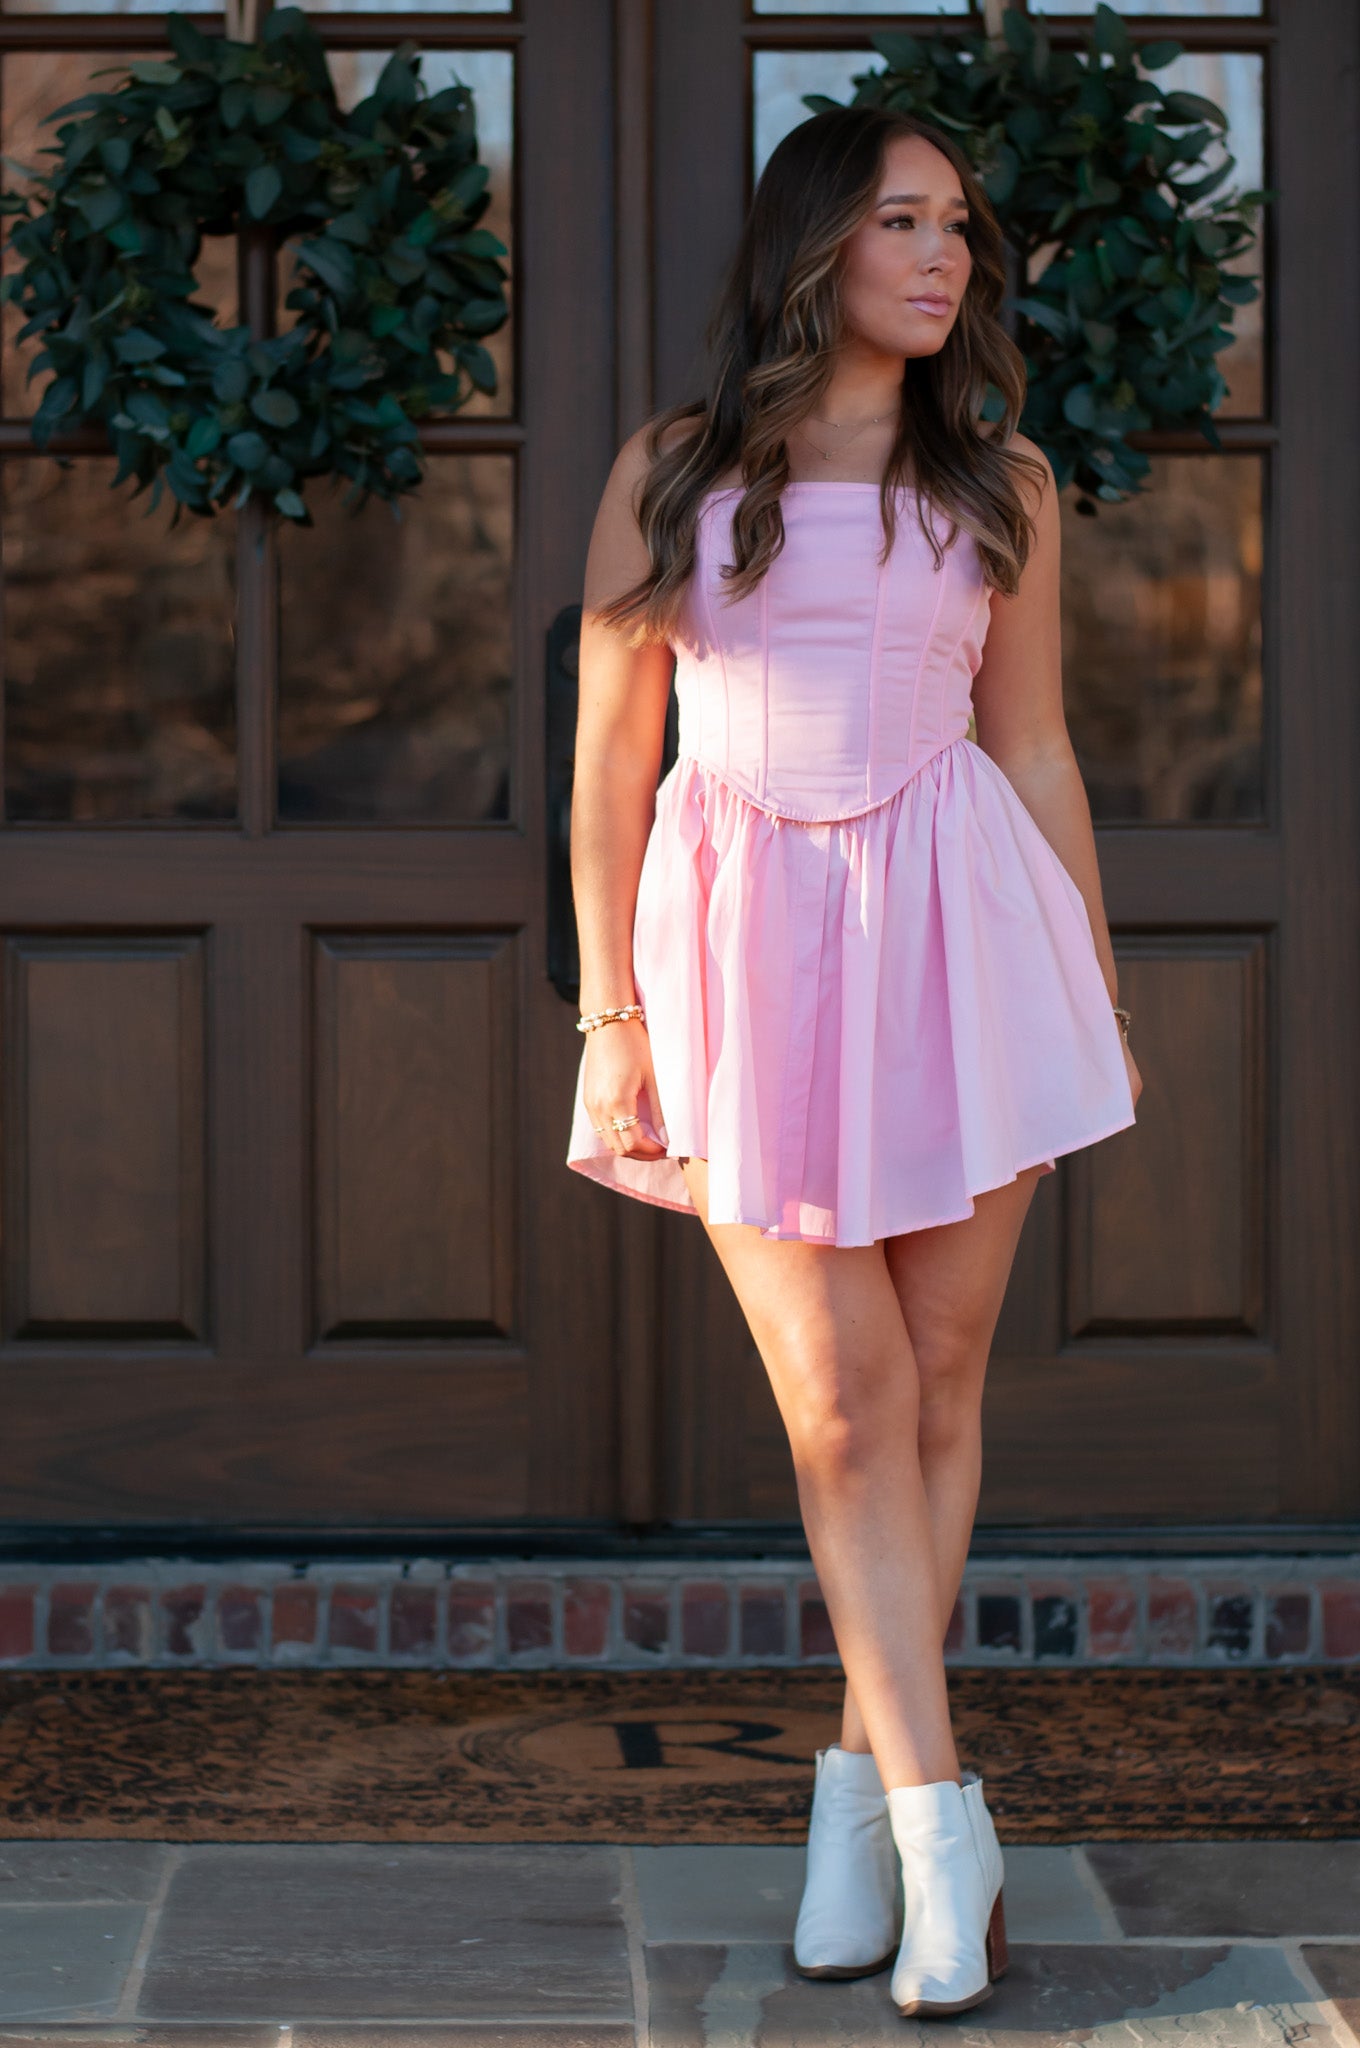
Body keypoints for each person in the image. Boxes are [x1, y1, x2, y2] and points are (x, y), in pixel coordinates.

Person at [564, 103, 1143, 2021]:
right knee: (839, 1406)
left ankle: (850, 1811)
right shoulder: (672, 473)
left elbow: (1040, 749)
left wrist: (1093, 981)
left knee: (941, 1377)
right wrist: (610, 1023)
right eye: (906, 220)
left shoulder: (1005, 486)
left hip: (964, 938)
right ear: (816, 242)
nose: (945, 256)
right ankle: (938, 1822)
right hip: (742, 958)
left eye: (961, 228)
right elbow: (606, 782)